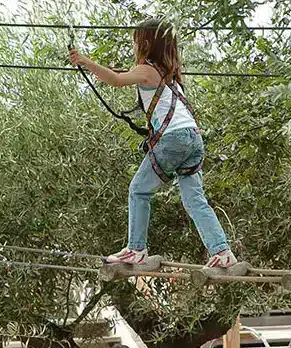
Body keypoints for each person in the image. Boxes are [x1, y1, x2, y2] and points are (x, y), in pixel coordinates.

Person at [68, 18, 238, 269]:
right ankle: (221, 251)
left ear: (146, 43)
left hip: (174, 138)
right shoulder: (172, 76)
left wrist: (85, 61)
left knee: (139, 190)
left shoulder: (148, 70)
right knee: (194, 200)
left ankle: (136, 248)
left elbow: (116, 79)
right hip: (193, 138)